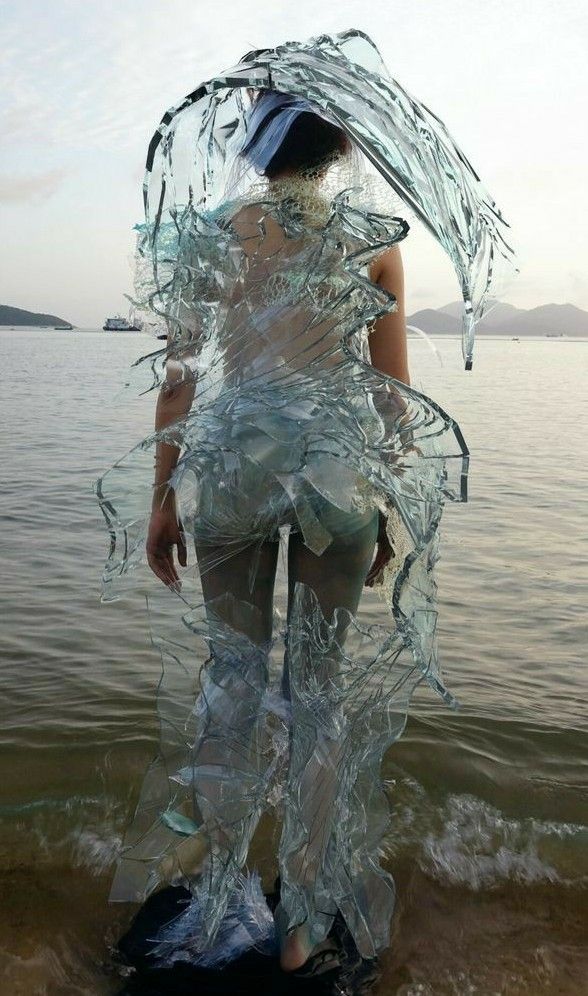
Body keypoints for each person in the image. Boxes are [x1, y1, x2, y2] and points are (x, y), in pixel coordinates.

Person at [96, 28, 516, 983]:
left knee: (233, 685)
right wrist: (394, 514)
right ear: (341, 151)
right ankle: (300, 931)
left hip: (236, 476)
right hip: (336, 483)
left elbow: (176, 381)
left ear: (259, 142)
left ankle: (218, 899)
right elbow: (389, 398)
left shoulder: (212, 237)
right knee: (320, 704)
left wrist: (163, 499)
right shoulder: (374, 247)